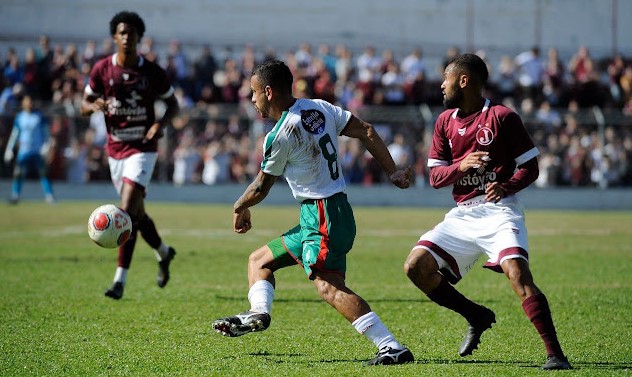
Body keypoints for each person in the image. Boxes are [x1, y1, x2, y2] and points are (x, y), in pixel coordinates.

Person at [211, 60, 415, 366]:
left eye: (254, 93)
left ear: (268, 92)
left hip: (322, 215)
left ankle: (391, 346)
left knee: (328, 287)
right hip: (332, 210)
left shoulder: (279, 134)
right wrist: (392, 171)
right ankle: (258, 313)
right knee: (260, 260)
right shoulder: (319, 107)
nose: (252, 99)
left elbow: (260, 188)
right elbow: (366, 130)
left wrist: (240, 206)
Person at [403, 54, 572, 370]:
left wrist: (506, 187)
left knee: (518, 273)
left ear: (463, 80)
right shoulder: (444, 122)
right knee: (415, 267)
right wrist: (461, 166)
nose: (441, 85)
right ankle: (476, 315)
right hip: (463, 214)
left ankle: (556, 355)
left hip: (499, 211)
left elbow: (531, 168)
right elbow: (436, 177)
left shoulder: (502, 116)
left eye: (446, 79)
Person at [80, 11, 179, 300]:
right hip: (116, 151)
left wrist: (160, 124)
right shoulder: (101, 70)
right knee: (137, 213)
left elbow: (173, 105)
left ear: (139, 38)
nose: (127, 37)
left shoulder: (151, 72)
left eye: (132, 33)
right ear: (114, 37)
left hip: (143, 149)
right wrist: (94, 104)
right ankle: (163, 253)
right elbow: (83, 104)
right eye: (122, 32)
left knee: (124, 210)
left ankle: (119, 281)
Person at [3, 95, 56, 204]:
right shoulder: (20, 117)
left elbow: (46, 132)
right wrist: (9, 149)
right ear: (23, 103)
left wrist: (47, 145)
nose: (30, 103)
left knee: (44, 173)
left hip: (37, 151)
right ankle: (15, 195)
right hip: (24, 151)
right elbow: (15, 134)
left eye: (31, 101)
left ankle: (49, 196)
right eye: (28, 101)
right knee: (18, 173)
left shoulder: (39, 116)